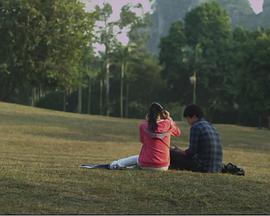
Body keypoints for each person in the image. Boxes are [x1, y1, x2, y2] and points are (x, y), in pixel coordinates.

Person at [81, 102, 181, 171]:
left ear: (149, 114)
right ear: (162, 113)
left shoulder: (143, 125)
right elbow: (178, 133)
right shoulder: (169, 124)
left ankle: (113, 165)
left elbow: (143, 141)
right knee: (137, 162)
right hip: (163, 166)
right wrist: (169, 119)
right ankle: (125, 167)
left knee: (133, 159)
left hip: (145, 164)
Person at [169, 104, 223, 173]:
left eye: (188, 118)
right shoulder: (210, 125)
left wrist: (179, 151)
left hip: (203, 167)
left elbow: (191, 152)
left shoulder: (195, 127)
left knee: (171, 153)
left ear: (194, 117)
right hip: (216, 168)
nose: (187, 121)